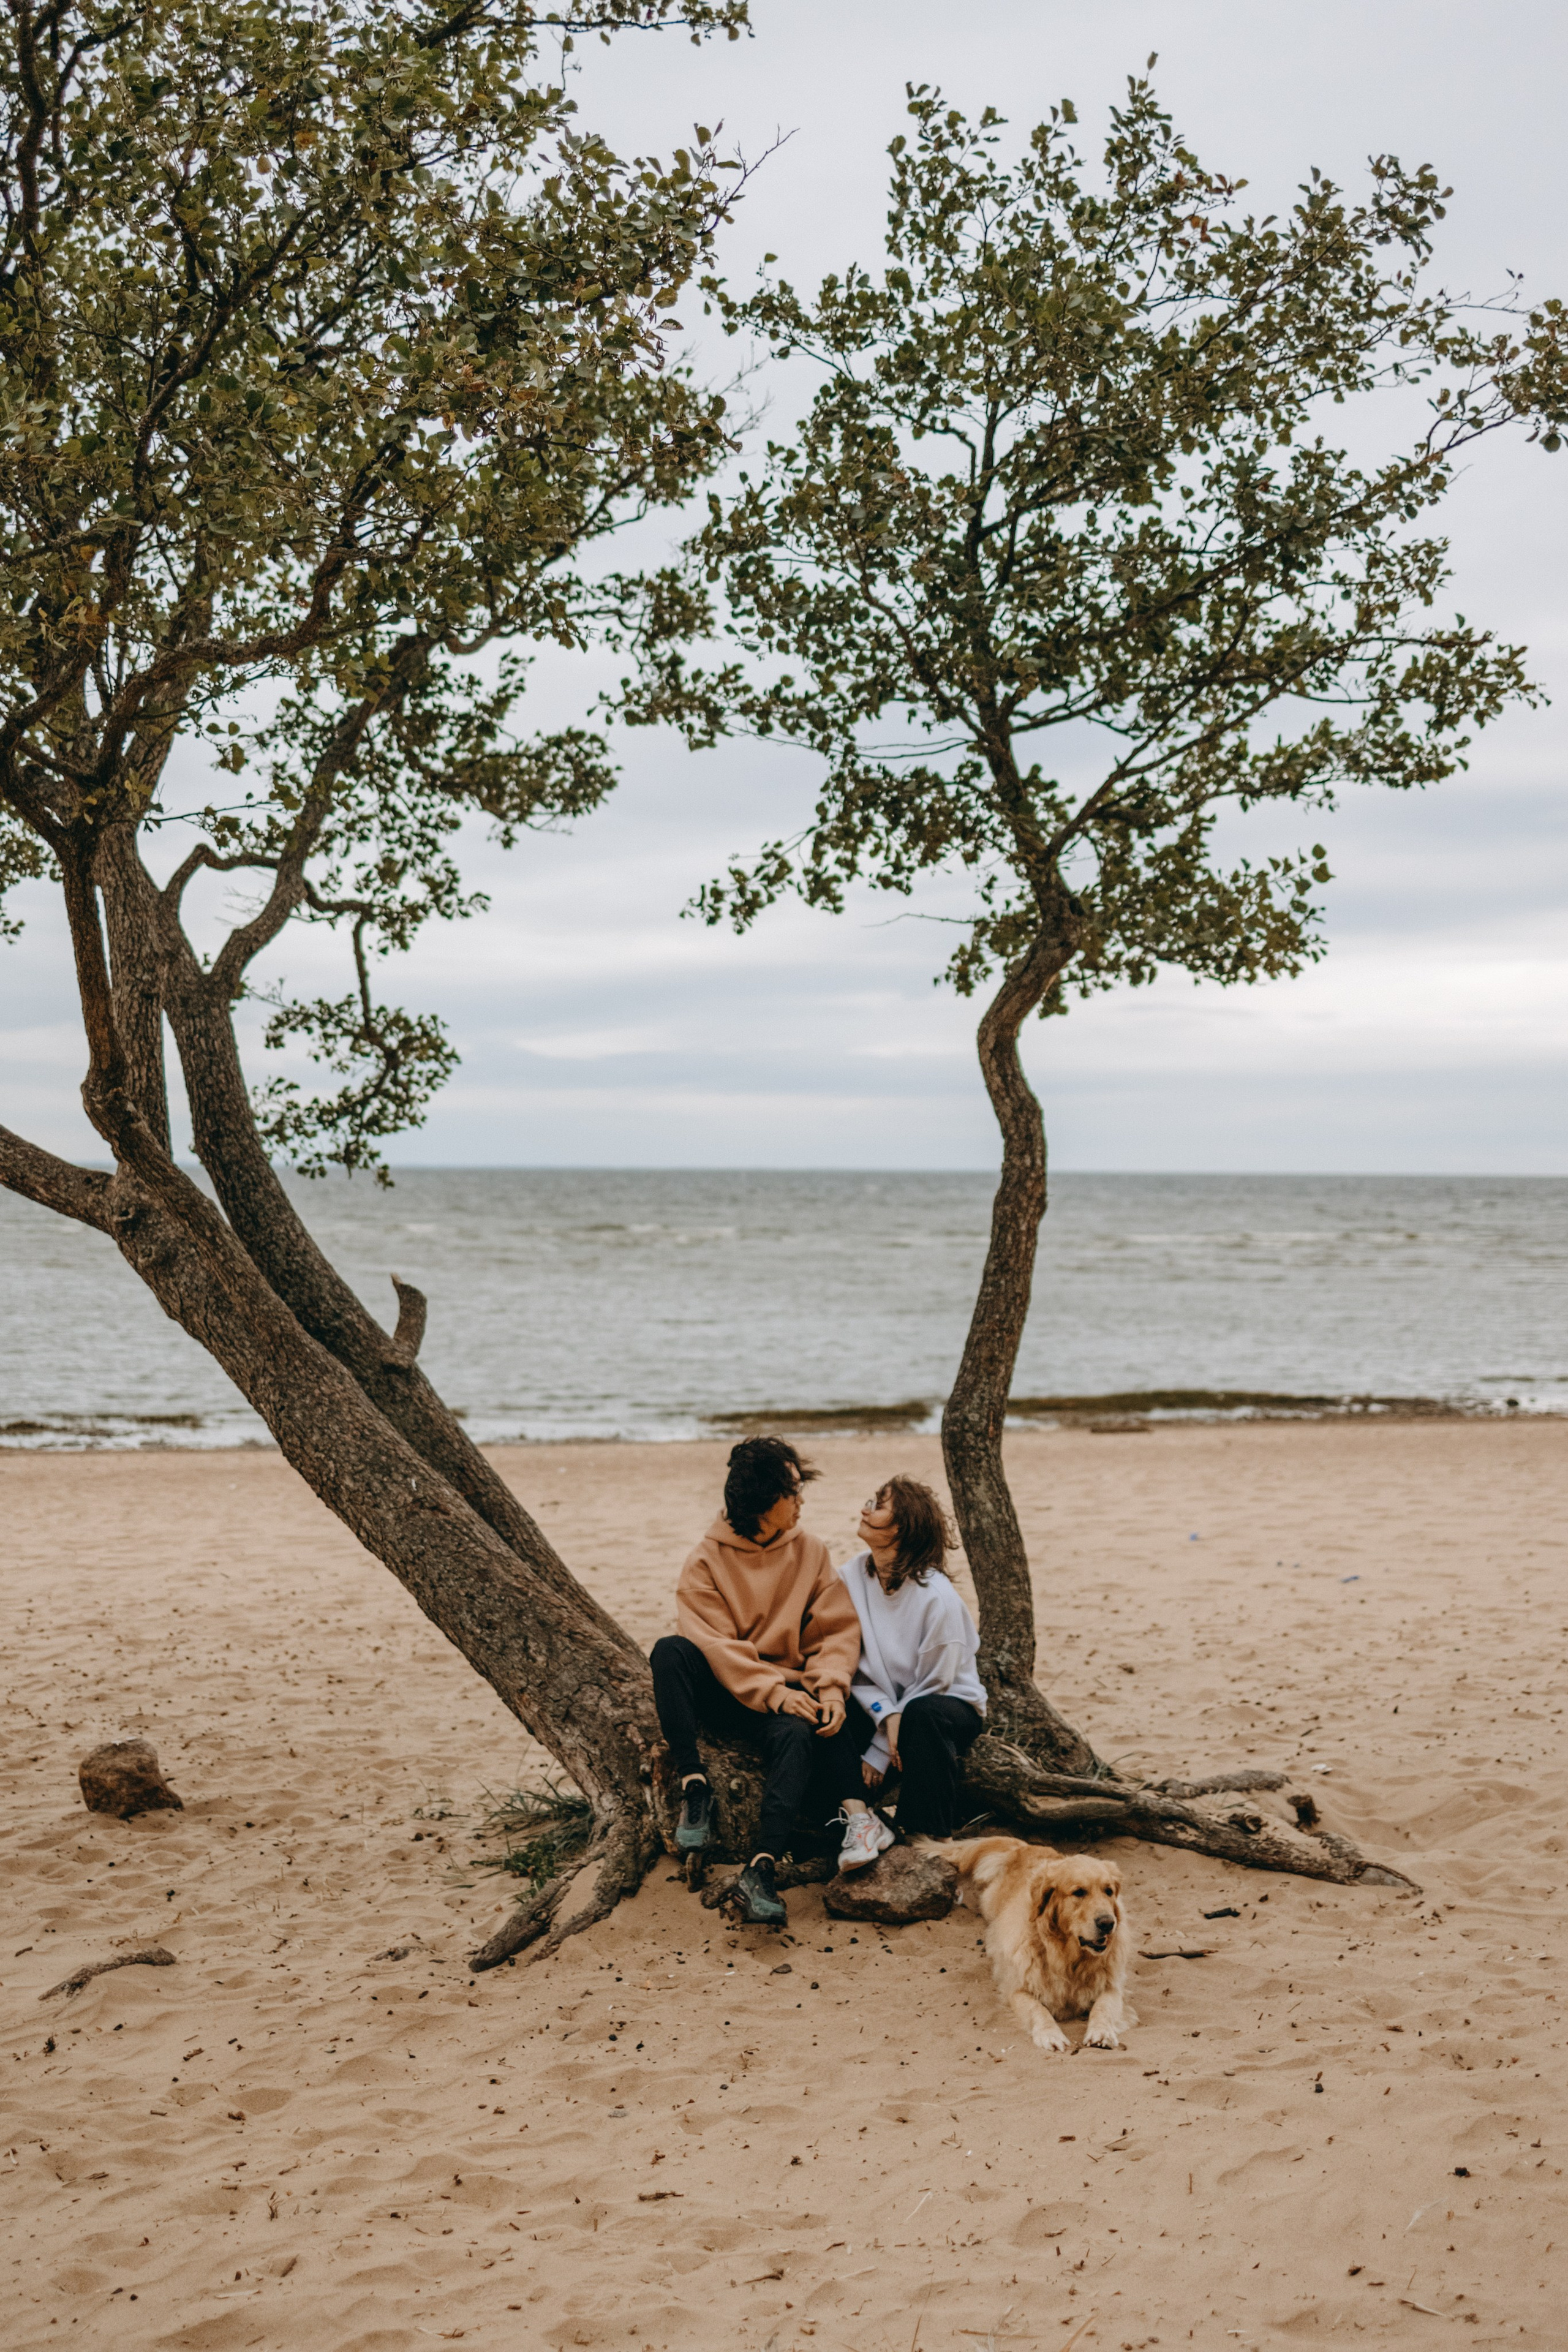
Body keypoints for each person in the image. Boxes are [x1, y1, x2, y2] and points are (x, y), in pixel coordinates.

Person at [650, 1435, 895, 1926]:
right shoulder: (705, 1559)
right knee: (669, 1652)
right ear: (765, 1502)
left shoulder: (810, 1551)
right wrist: (776, 1694)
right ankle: (694, 1786)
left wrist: (829, 1690)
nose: (802, 1501)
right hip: (729, 1690)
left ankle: (762, 1866)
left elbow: (836, 1630)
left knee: (805, 1732)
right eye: (794, 1492)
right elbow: (716, 1646)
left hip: (786, 1698)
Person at [839, 1476, 987, 1838]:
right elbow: (848, 1661)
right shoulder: (852, 1576)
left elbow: (936, 1682)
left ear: (902, 1528)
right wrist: (885, 1715)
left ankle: (925, 1836)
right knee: (827, 1706)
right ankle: (849, 1822)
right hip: (881, 1705)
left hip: (947, 1705)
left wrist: (878, 1749)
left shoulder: (937, 1599)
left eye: (879, 1505)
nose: (865, 1510)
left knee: (922, 1717)